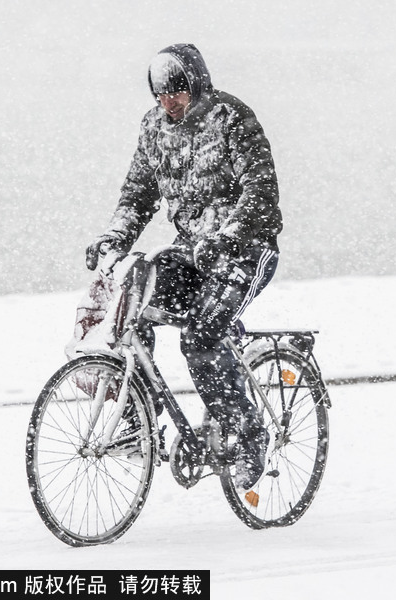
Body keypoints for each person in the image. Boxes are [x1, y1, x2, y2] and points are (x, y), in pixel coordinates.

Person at [83, 44, 282, 489]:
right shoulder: (154, 128)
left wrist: (228, 236)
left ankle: (248, 434)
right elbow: (137, 194)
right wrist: (114, 237)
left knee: (201, 336)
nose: (168, 101)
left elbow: (261, 193)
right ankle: (142, 420)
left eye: (177, 91)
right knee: (134, 310)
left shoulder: (232, 118)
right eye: (160, 93)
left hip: (246, 250)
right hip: (192, 250)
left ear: (196, 83)